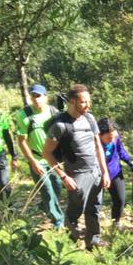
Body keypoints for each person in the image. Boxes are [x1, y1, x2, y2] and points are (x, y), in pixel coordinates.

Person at [41, 84, 111, 250]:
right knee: (74, 212)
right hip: (77, 174)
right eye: (83, 102)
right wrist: (63, 176)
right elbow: (47, 153)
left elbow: (97, 146)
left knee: (94, 209)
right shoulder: (60, 126)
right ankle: (69, 242)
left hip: (96, 172)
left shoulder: (89, 118)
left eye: (89, 101)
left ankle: (92, 242)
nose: (88, 105)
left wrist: (104, 171)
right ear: (72, 102)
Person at [14, 84, 63, 228]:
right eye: (33, 96)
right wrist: (32, 161)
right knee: (47, 189)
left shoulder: (54, 112)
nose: (36, 99)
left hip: (53, 158)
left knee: (57, 186)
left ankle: (44, 205)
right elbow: (22, 141)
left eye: (39, 96)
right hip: (37, 159)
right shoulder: (24, 115)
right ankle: (58, 221)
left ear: (45, 97)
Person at [97, 118, 133, 230]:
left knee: (120, 199)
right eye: (109, 137)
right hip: (98, 174)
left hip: (115, 171)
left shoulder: (115, 138)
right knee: (96, 202)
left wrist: (129, 161)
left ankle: (116, 222)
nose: (112, 139)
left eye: (114, 136)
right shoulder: (94, 142)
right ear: (100, 135)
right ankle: (95, 227)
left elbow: (120, 150)